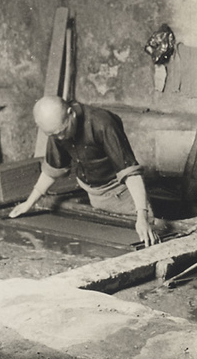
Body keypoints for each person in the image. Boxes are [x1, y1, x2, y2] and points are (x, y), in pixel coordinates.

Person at [9, 96, 159, 247]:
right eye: (54, 135)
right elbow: (53, 169)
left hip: (124, 195)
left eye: (62, 131)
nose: (60, 137)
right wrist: (29, 202)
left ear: (71, 113)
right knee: (105, 246)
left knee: (145, 239)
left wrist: (142, 216)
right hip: (95, 195)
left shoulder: (102, 123)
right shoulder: (56, 127)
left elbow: (130, 172)